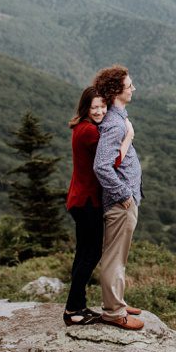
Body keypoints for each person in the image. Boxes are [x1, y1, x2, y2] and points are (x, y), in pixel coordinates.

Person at [92, 64, 145, 330]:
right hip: (120, 203)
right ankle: (113, 312)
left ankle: (118, 301)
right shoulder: (114, 124)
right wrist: (124, 194)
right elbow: (101, 165)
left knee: (119, 256)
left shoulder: (118, 117)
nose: (133, 88)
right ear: (116, 91)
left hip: (125, 200)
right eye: (129, 86)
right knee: (114, 257)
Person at [62, 86, 108, 326]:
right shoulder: (90, 131)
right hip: (87, 201)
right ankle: (72, 308)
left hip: (79, 199)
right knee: (92, 252)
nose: (99, 111)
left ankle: (76, 306)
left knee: (83, 253)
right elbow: (111, 160)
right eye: (95, 107)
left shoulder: (81, 126)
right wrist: (128, 136)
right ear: (86, 108)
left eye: (102, 106)